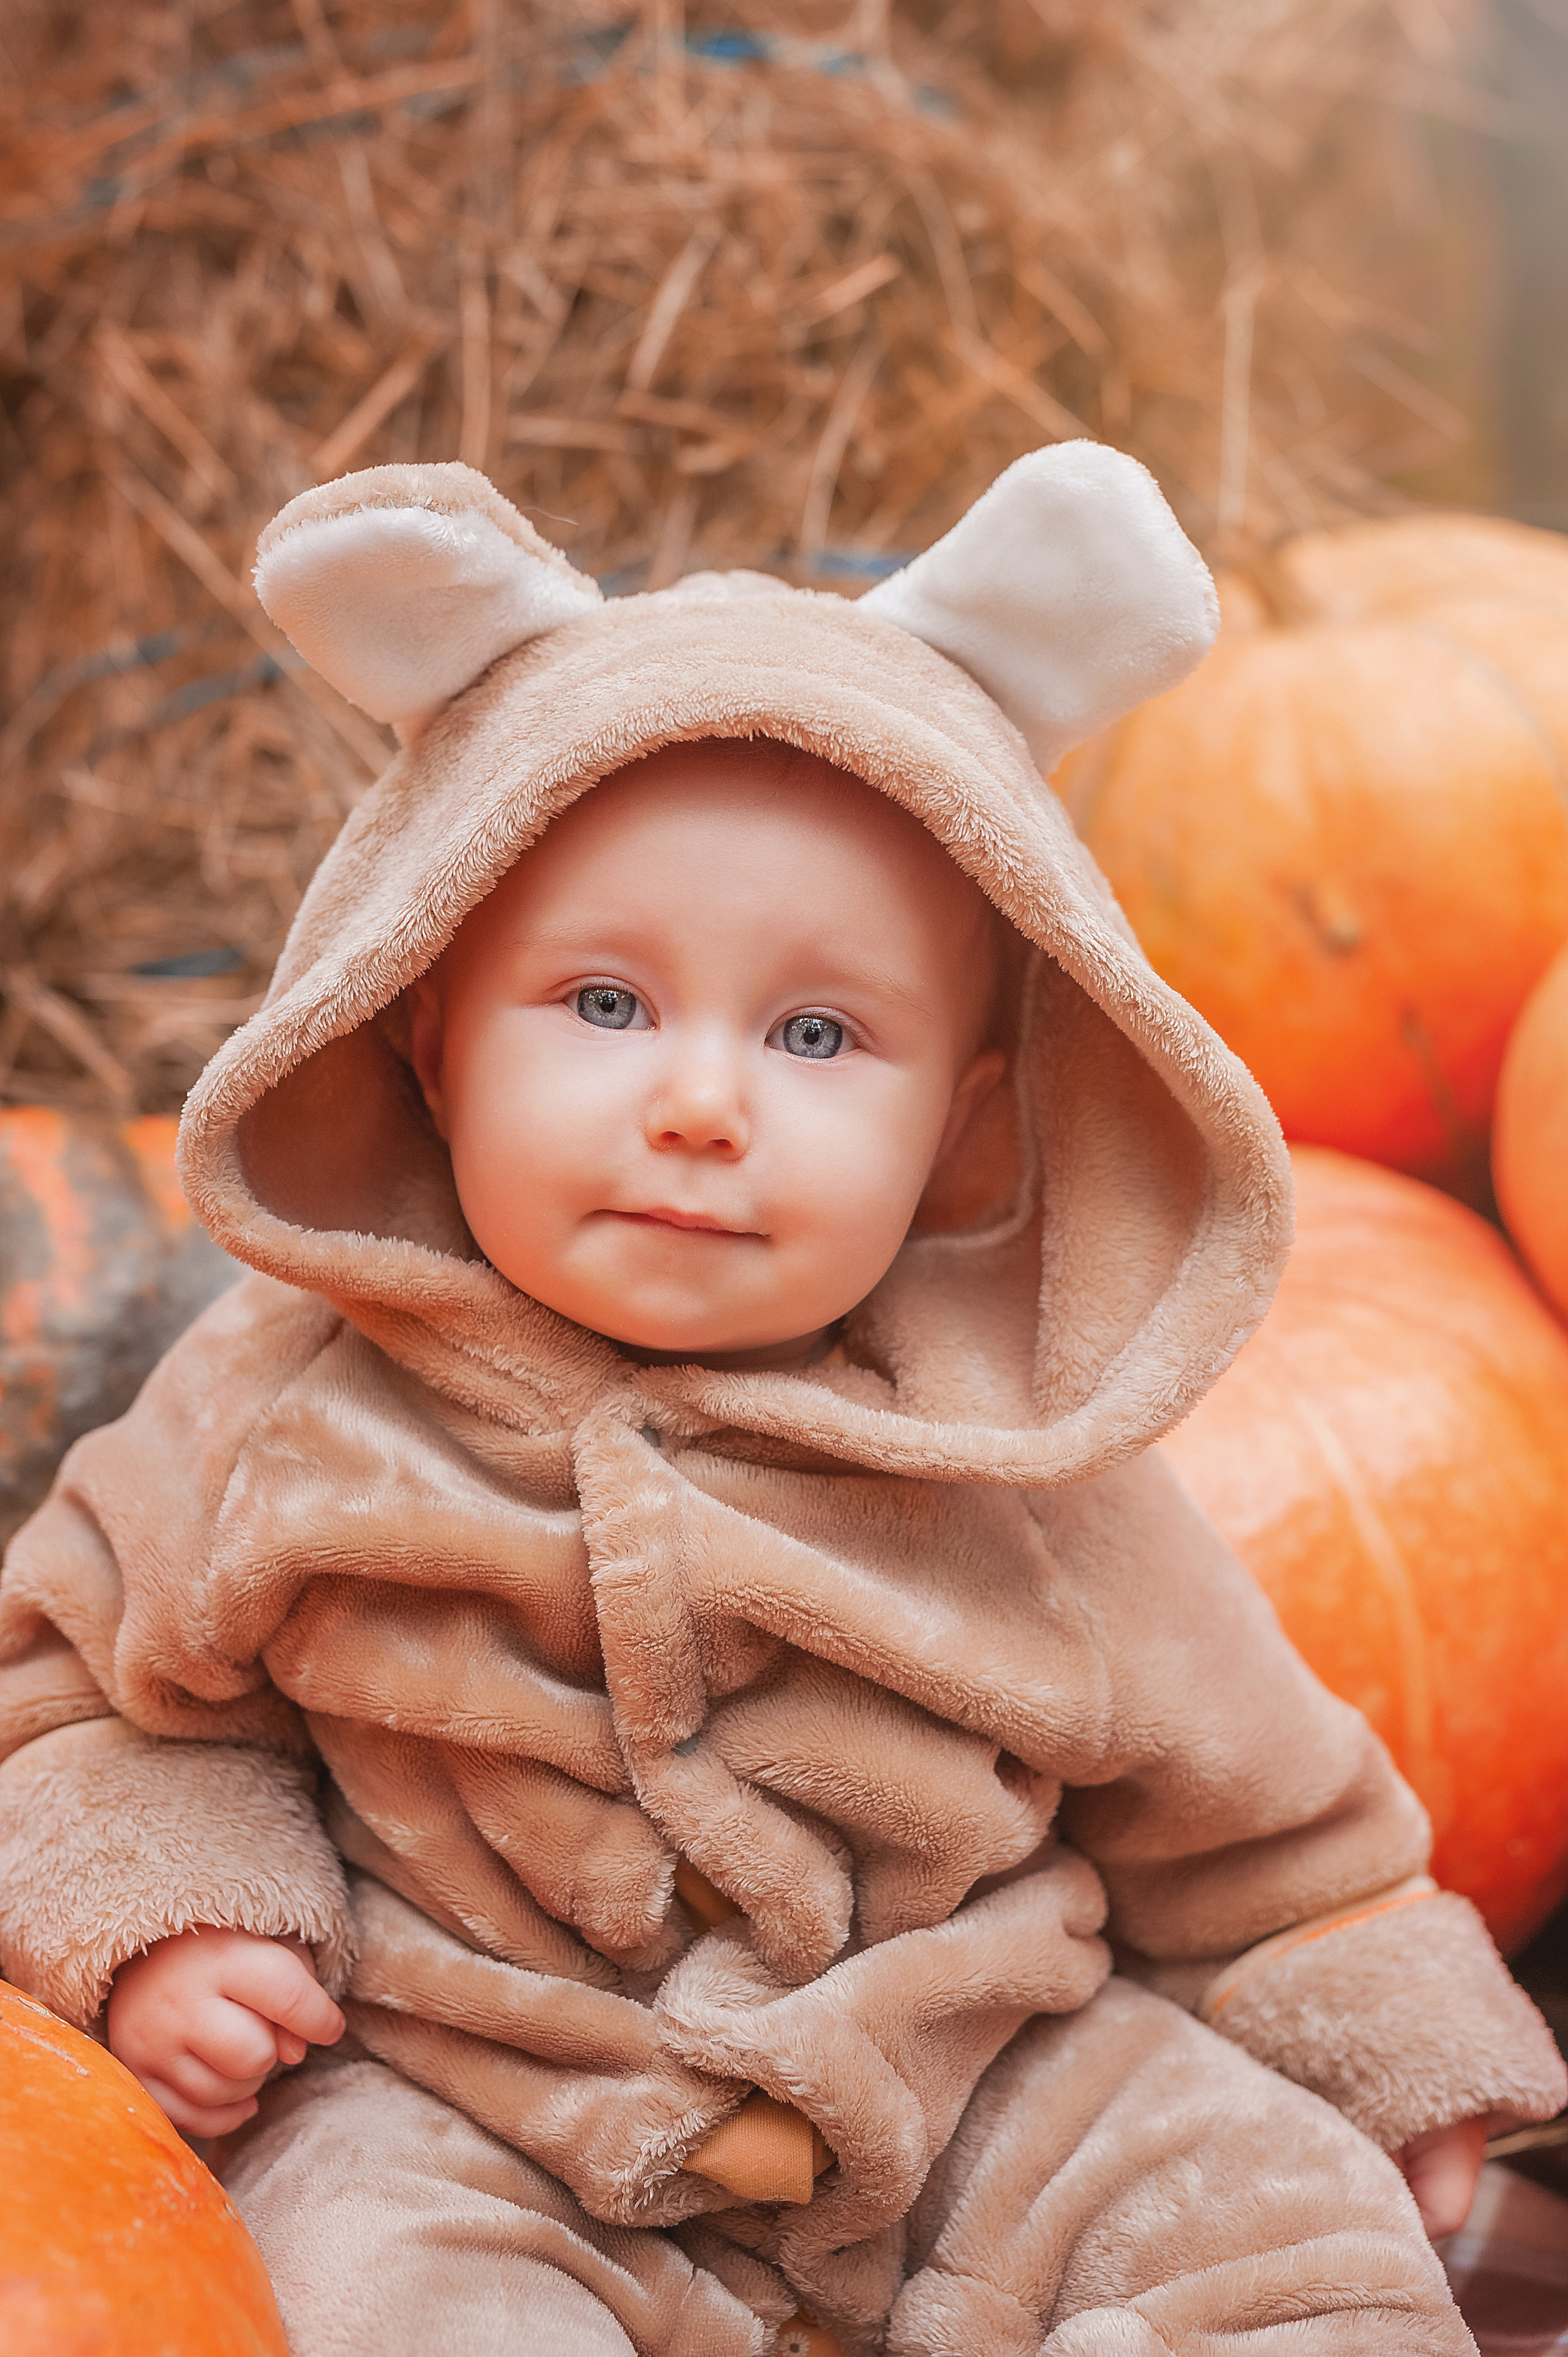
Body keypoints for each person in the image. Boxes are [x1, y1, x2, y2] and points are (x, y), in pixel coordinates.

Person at [1, 447, 1561, 2357]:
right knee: (371, 2277)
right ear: (424, 1031)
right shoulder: (285, 1400)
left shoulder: (1015, 1453)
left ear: (964, 1124)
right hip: (469, 2090)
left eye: (818, 1034)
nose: (701, 1104)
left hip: (971, 2076)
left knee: (1271, 2225)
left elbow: (1259, 1812)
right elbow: (87, 1694)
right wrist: (175, 1920)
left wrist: (1378, 2042)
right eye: (604, 1004)